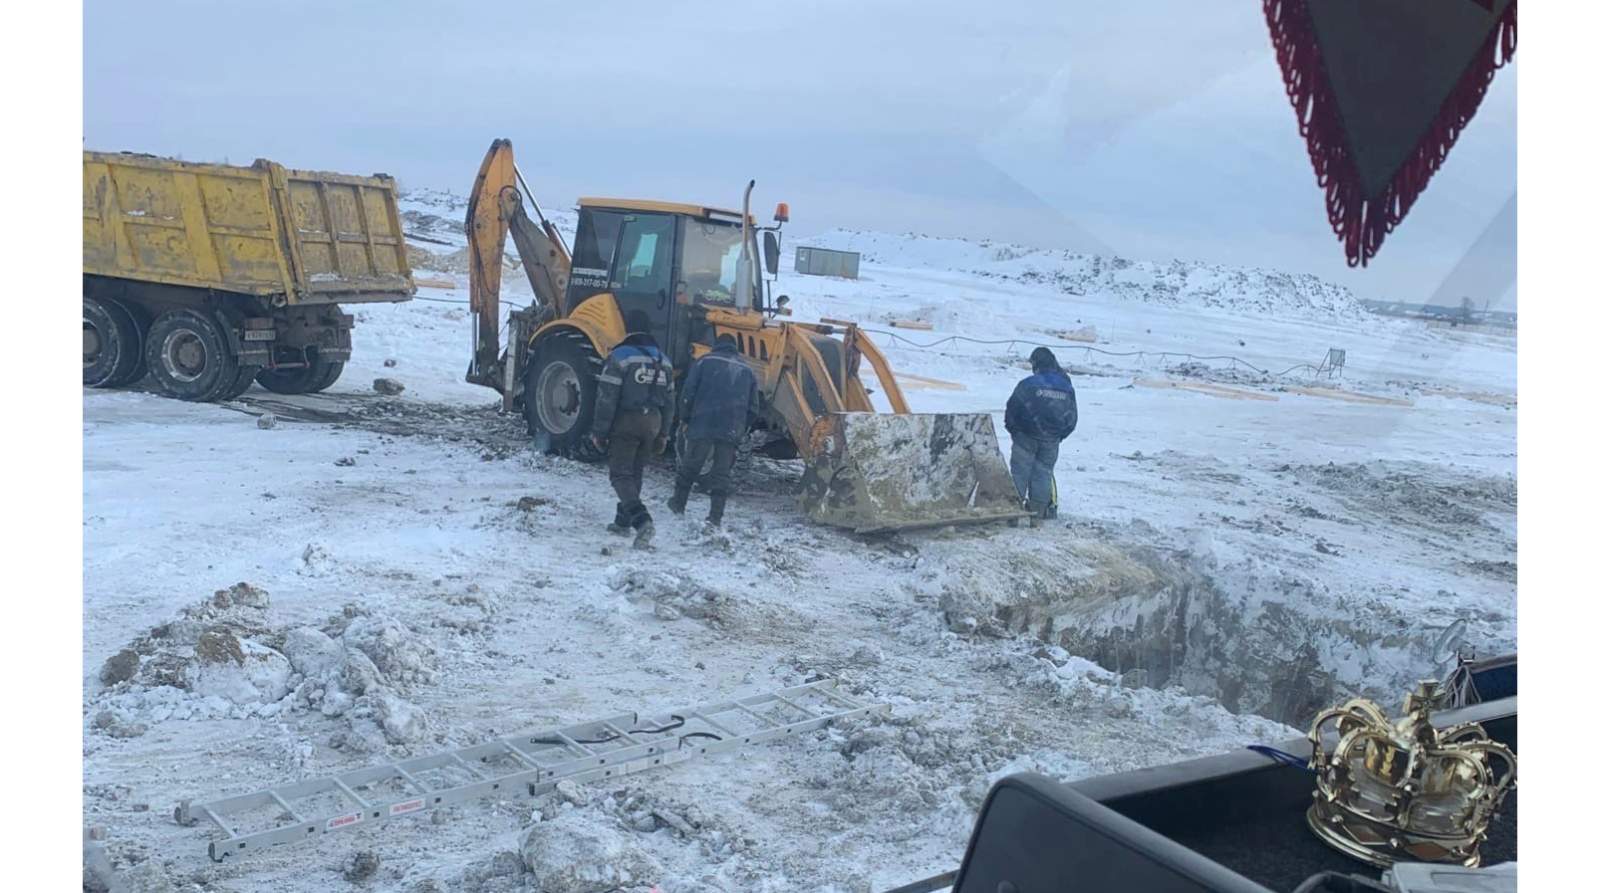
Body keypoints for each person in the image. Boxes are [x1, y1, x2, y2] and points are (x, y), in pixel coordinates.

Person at [591, 313, 675, 547]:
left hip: (627, 422)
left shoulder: (620, 357)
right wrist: (664, 433)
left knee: (620, 474)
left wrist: (599, 431)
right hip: (653, 423)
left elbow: (607, 398)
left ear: (628, 331)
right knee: (635, 473)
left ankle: (642, 521)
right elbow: (670, 403)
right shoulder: (664, 361)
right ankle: (622, 522)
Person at [668, 333, 760, 527]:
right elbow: (753, 408)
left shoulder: (703, 362)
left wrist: (685, 418)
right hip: (730, 431)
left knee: (691, 466)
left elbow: (688, 393)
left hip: (702, 424)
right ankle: (715, 516)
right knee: (721, 473)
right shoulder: (747, 371)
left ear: (716, 345)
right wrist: (741, 427)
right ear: (735, 348)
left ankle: (678, 504)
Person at [1004, 346, 1078, 520]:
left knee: (1019, 474)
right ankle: (1037, 515)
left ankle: (1012, 515)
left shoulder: (1028, 384)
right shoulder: (1066, 386)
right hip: (1051, 440)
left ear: (1035, 364)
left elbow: (1012, 410)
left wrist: (1015, 431)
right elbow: (1072, 417)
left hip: (1025, 437)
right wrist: (1058, 436)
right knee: (1043, 474)